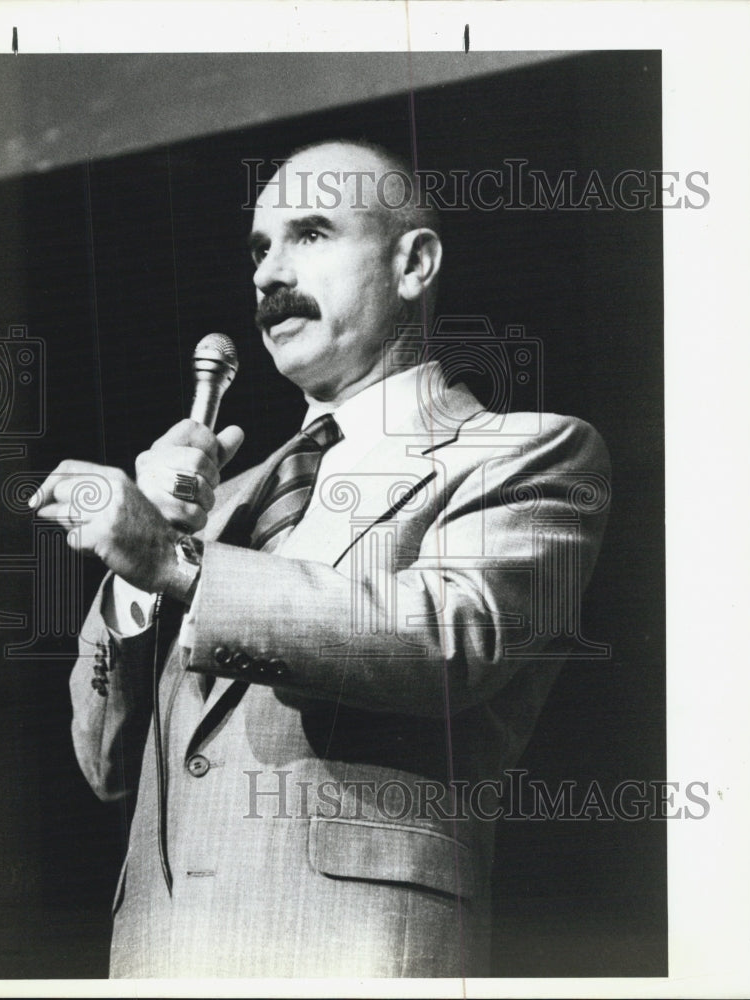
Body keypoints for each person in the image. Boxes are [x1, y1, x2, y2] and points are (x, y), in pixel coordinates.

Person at [30, 139, 611, 978]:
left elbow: (450, 641)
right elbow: (106, 766)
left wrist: (181, 570)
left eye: (309, 234)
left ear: (414, 263)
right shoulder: (223, 505)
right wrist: (134, 587)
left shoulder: (529, 454)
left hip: (356, 958)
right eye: (259, 249)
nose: (267, 275)